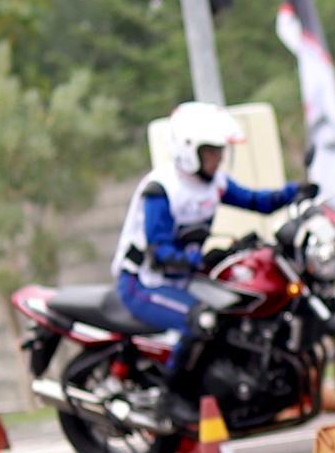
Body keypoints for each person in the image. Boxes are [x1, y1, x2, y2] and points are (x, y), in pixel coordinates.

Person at [112, 101, 316, 421]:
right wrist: (196, 258)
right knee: (201, 318)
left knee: (231, 312)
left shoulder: (214, 183)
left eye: (220, 151)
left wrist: (296, 192)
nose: (218, 158)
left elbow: (255, 201)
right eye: (211, 151)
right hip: (143, 283)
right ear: (188, 150)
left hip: (180, 278)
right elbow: (159, 250)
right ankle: (173, 395)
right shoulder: (161, 189)